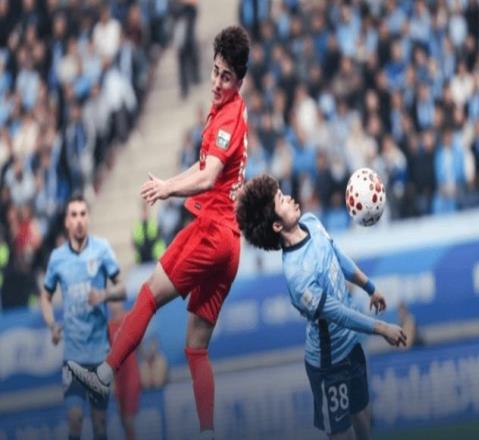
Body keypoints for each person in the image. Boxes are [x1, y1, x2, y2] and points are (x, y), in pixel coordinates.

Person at [68, 26, 250, 439]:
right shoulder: (230, 109)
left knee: (148, 295)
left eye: (226, 77)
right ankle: (208, 433)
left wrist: (168, 190)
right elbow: (204, 167)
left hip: (211, 232)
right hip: (229, 244)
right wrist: (169, 181)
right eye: (215, 71)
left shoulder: (227, 116)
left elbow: (209, 176)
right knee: (196, 348)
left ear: (239, 81)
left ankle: (104, 375)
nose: (217, 82)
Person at [236, 174, 407, 440]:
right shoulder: (297, 276)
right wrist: (382, 328)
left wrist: (369, 287)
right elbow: (339, 314)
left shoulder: (311, 222)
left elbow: (336, 255)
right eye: (281, 199)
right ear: (277, 226)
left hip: (352, 348)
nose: (290, 198)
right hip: (329, 366)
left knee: (364, 423)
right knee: (343, 435)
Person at [40, 194, 125, 440]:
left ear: (88, 218)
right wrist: (52, 325)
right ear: (67, 221)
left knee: (100, 426)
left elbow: (122, 288)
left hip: (100, 355)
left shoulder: (102, 250)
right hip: (73, 357)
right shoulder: (57, 258)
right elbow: (45, 297)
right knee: (75, 420)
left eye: (82, 214)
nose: (78, 220)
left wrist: (104, 295)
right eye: (74, 215)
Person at [108, 302, 141, 440]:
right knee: (123, 420)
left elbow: (139, 345)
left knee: (128, 420)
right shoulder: (108, 327)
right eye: (111, 302)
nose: (114, 305)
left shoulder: (130, 318)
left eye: (116, 301)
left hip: (131, 376)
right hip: (119, 379)